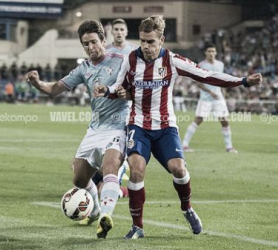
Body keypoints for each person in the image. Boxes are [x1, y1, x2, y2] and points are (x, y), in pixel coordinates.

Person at [95, 15, 262, 239]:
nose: (145, 46)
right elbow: (120, 86)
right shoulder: (132, 59)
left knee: (179, 169)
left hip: (165, 126)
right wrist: (107, 91)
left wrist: (242, 81)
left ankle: (187, 208)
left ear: (161, 40)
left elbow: (207, 75)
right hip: (138, 124)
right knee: (136, 169)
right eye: (143, 40)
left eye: (151, 41)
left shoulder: (172, 61)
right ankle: (138, 227)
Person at [26, 20, 129, 239]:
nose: (90, 47)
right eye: (85, 44)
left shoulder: (122, 61)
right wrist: (37, 83)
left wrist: (126, 93)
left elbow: (136, 88)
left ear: (103, 40)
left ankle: (106, 216)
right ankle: (95, 211)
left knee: (110, 166)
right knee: (79, 180)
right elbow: (55, 89)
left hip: (118, 127)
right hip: (95, 130)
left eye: (93, 42)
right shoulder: (83, 68)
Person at [86, 18, 138, 203]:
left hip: (126, 108)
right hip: (104, 110)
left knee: (115, 156)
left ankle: (120, 180)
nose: (118, 32)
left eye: (121, 29)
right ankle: (112, 178)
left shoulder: (133, 51)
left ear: (126, 32)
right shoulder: (106, 52)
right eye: (115, 29)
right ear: (111, 32)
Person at [182, 44, 238, 153]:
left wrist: (223, 93)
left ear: (216, 53)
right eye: (209, 51)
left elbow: (221, 80)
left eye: (213, 51)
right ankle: (184, 145)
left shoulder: (220, 65)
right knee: (198, 120)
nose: (211, 53)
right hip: (205, 98)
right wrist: (210, 92)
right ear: (205, 53)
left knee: (224, 121)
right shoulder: (201, 65)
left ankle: (229, 147)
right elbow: (198, 83)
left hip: (218, 98)